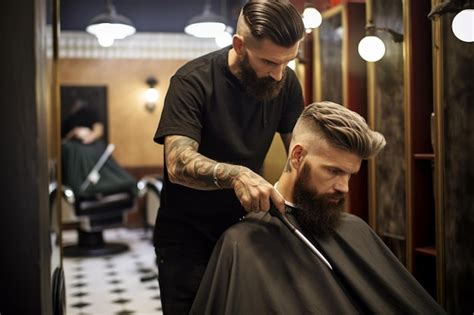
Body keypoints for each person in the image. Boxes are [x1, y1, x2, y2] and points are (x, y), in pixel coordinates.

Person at [190, 101, 446, 314]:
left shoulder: (355, 229)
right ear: (298, 156)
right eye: (334, 171)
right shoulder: (242, 243)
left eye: (350, 175)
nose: (344, 187)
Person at [152, 0, 305, 313]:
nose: (279, 75)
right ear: (239, 44)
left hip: (246, 230)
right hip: (186, 239)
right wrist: (237, 174)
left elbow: (299, 152)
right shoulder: (192, 81)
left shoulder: (286, 82)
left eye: (286, 63)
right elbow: (178, 163)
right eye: (268, 63)